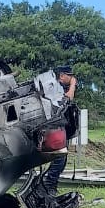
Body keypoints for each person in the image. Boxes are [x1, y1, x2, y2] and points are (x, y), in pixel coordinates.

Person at [41, 65, 78, 196]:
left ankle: (51, 185)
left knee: (62, 159)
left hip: (60, 128)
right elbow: (67, 99)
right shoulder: (54, 86)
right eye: (70, 76)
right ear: (62, 75)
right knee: (59, 158)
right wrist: (73, 85)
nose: (73, 78)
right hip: (53, 128)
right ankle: (48, 186)